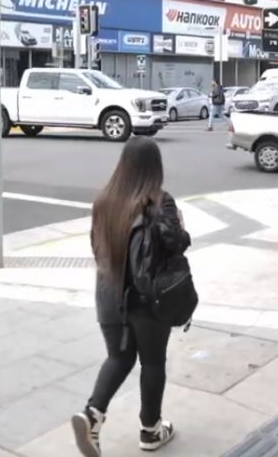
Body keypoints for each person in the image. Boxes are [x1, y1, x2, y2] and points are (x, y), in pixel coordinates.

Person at [72, 137, 188, 456]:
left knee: (119, 357)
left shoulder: (104, 200)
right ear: (155, 167)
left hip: (108, 294)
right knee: (152, 360)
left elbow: (96, 247)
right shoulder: (159, 201)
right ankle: (151, 430)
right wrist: (179, 224)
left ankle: (92, 414)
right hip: (147, 299)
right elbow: (176, 244)